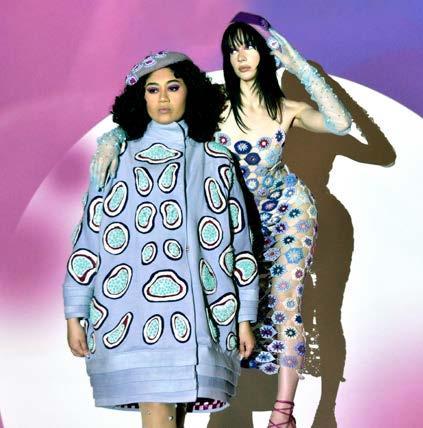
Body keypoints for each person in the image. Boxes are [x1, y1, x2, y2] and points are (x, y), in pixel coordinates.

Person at [89, 12, 352, 428]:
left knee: (287, 303)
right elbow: (155, 112)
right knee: (223, 304)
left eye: (249, 47)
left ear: (266, 53)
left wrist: (298, 65)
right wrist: (112, 138)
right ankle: (220, 397)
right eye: (232, 50)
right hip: (230, 218)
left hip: (285, 212)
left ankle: (283, 414)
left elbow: (340, 124)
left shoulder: (288, 109)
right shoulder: (214, 105)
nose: (241, 57)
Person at [63, 51, 259, 428]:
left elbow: (239, 241)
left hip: (203, 316)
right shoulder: (115, 155)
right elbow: (89, 235)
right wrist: (75, 312)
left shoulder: (215, 158)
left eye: (173, 87)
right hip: (130, 314)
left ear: (190, 91)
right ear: (140, 97)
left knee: (174, 419)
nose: (163, 98)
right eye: (152, 90)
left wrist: (245, 316)